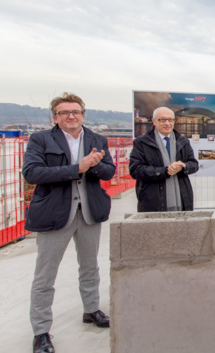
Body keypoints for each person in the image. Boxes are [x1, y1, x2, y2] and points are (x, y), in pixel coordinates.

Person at [22, 93, 115, 353]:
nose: (71, 116)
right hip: (54, 214)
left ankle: (91, 309)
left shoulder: (97, 140)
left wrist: (94, 166)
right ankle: (41, 331)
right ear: (55, 117)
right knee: (45, 276)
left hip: (88, 212)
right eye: (64, 112)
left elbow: (109, 171)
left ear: (83, 115)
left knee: (89, 267)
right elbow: (32, 173)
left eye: (75, 112)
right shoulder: (40, 139)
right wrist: (78, 167)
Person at [129, 106, 199, 212]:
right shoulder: (141, 142)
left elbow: (194, 164)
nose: (167, 123)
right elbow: (136, 170)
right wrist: (165, 171)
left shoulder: (183, 141)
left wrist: (183, 167)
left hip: (182, 198)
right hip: (153, 201)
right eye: (162, 120)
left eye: (170, 120)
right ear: (154, 122)